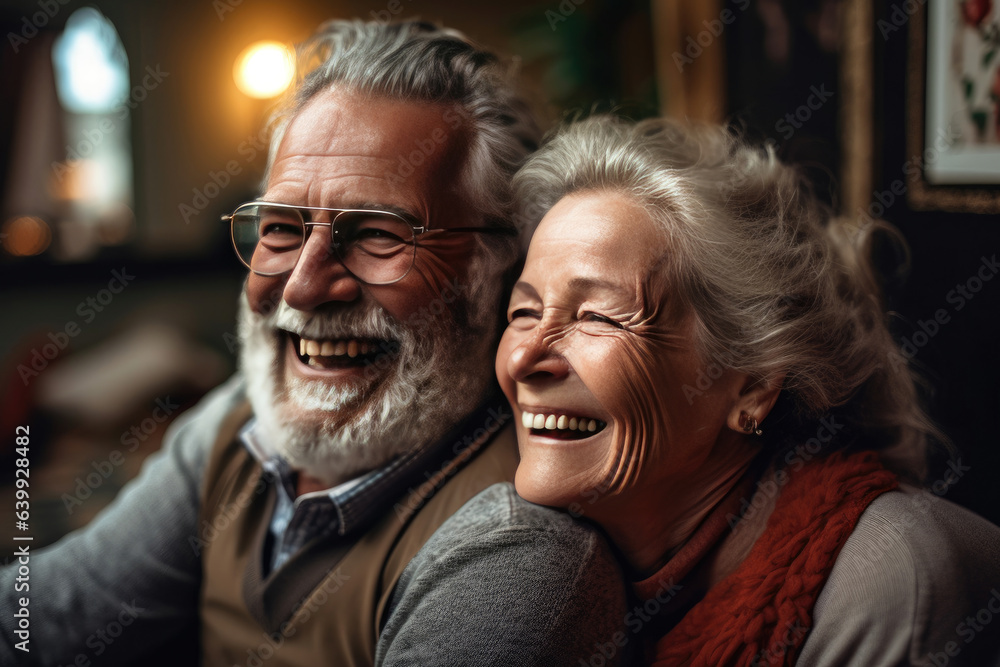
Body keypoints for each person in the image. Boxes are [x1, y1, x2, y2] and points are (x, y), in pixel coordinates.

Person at [0, 21, 629, 666]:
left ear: (500, 268)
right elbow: (44, 617)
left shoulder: (515, 556)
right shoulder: (240, 421)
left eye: (380, 235)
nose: (302, 288)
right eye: (279, 228)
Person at [496, 115, 1000, 666]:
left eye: (598, 317)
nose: (523, 358)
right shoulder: (552, 570)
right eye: (525, 310)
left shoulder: (897, 584)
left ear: (754, 386)